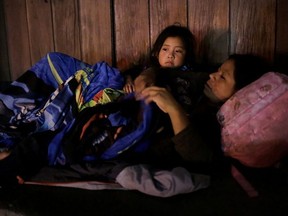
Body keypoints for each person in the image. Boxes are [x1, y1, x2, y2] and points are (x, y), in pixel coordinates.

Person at [123, 24, 196, 94]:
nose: (170, 55)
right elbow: (128, 74)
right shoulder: (146, 68)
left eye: (178, 51)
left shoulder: (191, 75)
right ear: (157, 53)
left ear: (187, 56)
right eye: (165, 49)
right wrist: (128, 81)